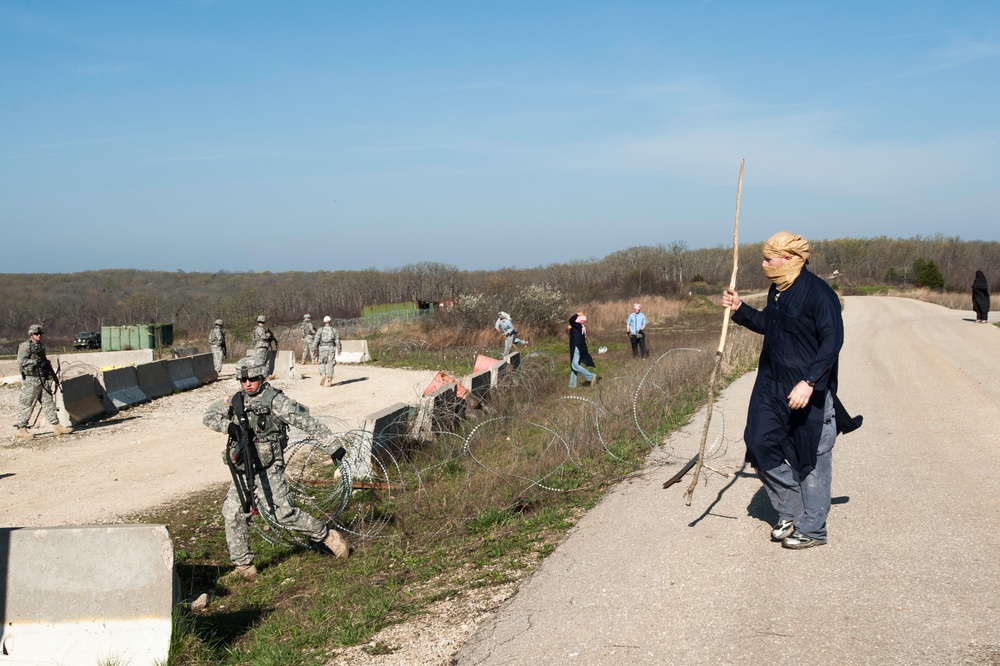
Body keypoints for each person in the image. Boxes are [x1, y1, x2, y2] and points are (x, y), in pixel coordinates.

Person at [722, 231, 862, 550]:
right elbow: (768, 325)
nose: (763, 263)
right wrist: (740, 308)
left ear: (788, 259)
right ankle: (792, 508)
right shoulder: (778, 290)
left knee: (809, 455)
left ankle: (813, 529)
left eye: (768, 258)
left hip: (807, 392)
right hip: (771, 386)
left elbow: (832, 342)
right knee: (759, 443)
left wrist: (810, 381)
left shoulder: (819, 294)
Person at [202, 358, 351, 582]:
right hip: (243, 468)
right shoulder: (236, 400)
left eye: (252, 378)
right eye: (243, 379)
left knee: (283, 513)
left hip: (268, 467)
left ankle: (327, 536)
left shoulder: (275, 401)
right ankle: (244, 566)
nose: (247, 383)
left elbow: (306, 421)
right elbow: (208, 416)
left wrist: (332, 445)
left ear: (261, 377)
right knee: (232, 513)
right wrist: (229, 427)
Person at [14, 324, 73, 439]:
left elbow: (44, 361)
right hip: (31, 379)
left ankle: (57, 426)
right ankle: (22, 428)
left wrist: (49, 373)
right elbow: (21, 362)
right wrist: (35, 362)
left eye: (40, 334)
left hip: (42, 378)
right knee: (27, 404)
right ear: (31, 335)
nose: (39, 336)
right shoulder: (25, 347)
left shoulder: (41, 347)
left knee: (48, 403)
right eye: (36, 334)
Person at [567, 313, 597, 388]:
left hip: (577, 347)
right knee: (574, 365)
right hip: (580, 347)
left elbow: (570, 320)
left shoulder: (576, 325)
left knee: (575, 365)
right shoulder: (581, 327)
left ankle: (591, 376)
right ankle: (572, 385)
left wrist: (576, 314)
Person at [313, 316, 342, 386]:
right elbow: (337, 340)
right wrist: (339, 349)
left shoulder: (320, 330)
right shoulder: (333, 330)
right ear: (330, 322)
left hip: (322, 348)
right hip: (331, 348)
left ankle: (323, 374)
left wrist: (313, 350)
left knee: (321, 362)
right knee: (330, 363)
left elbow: (316, 340)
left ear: (324, 322)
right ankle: (329, 380)